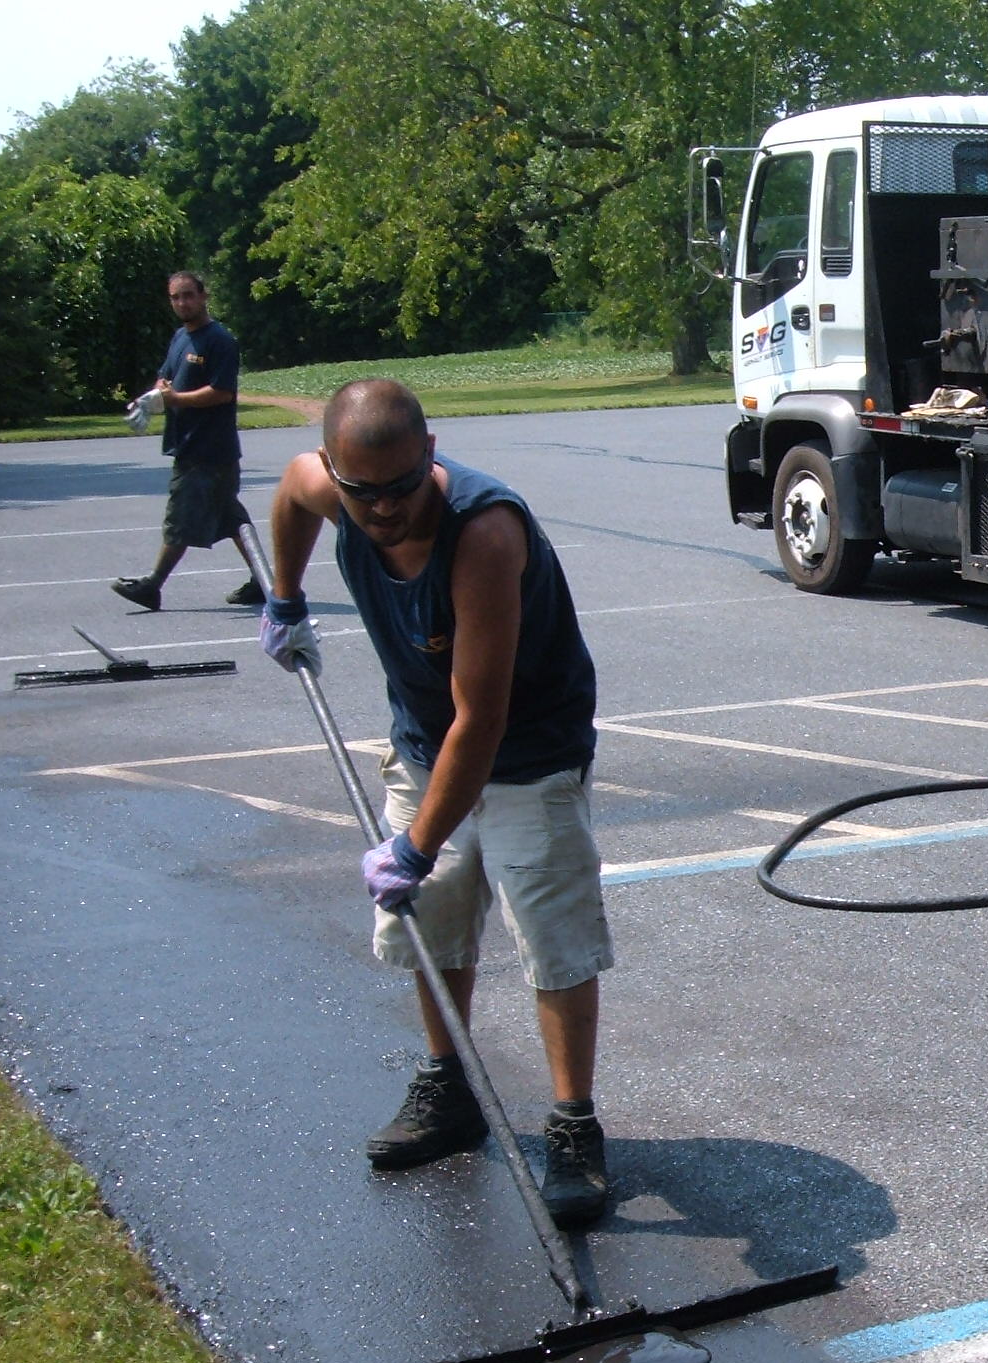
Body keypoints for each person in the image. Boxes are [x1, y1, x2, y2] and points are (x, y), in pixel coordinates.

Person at [257, 378, 615, 1225]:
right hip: (425, 743)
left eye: (399, 488)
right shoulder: (332, 488)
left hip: (527, 751)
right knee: (438, 918)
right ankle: (449, 1090)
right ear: (338, 471)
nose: (380, 509)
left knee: (551, 933)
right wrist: (285, 595)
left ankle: (573, 1126)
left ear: (430, 453)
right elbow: (289, 490)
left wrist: (414, 844)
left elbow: (480, 720)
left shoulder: (485, 534)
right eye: (360, 492)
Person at [111, 271, 261, 611]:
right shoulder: (180, 337)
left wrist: (174, 400)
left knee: (180, 519)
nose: (182, 303)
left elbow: (221, 392)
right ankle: (265, 582)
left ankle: (152, 586)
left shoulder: (219, 340)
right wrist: (150, 398)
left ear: (204, 295)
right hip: (190, 444)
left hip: (208, 450)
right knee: (231, 520)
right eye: (176, 297)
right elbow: (166, 380)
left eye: (188, 295)